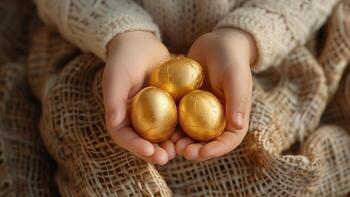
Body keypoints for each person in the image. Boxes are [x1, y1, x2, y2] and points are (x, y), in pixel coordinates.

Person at [32, 0, 339, 165]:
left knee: (264, 154)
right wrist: (120, 30)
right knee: (79, 137)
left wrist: (244, 37)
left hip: (256, 56)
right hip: (106, 51)